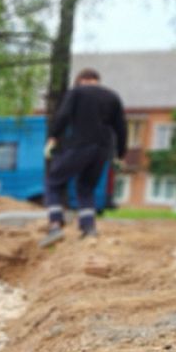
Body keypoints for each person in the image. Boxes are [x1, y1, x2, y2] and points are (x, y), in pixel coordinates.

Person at [43, 67, 127, 246]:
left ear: (80, 80)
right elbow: (121, 127)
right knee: (86, 187)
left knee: (54, 181)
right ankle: (89, 228)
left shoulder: (76, 93)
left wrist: (53, 136)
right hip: (102, 150)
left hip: (80, 145)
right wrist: (120, 154)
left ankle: (55, 225)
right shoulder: (112, 96)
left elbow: (63, 115)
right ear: (97, 79)